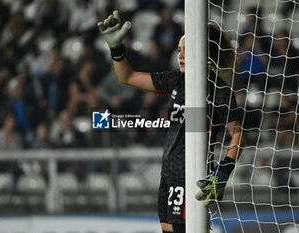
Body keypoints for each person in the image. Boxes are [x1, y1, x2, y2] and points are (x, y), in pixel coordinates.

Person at [97, 11, 244, 233]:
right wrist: (116, 49)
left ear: (204, 52)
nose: (181, 56)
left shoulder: (219, 90)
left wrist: (223, 173)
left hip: (192, 175)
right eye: (179, 51)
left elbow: (238, 132)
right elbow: (127, 77)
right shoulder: (175, 80)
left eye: (186, 50)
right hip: (168, 175)